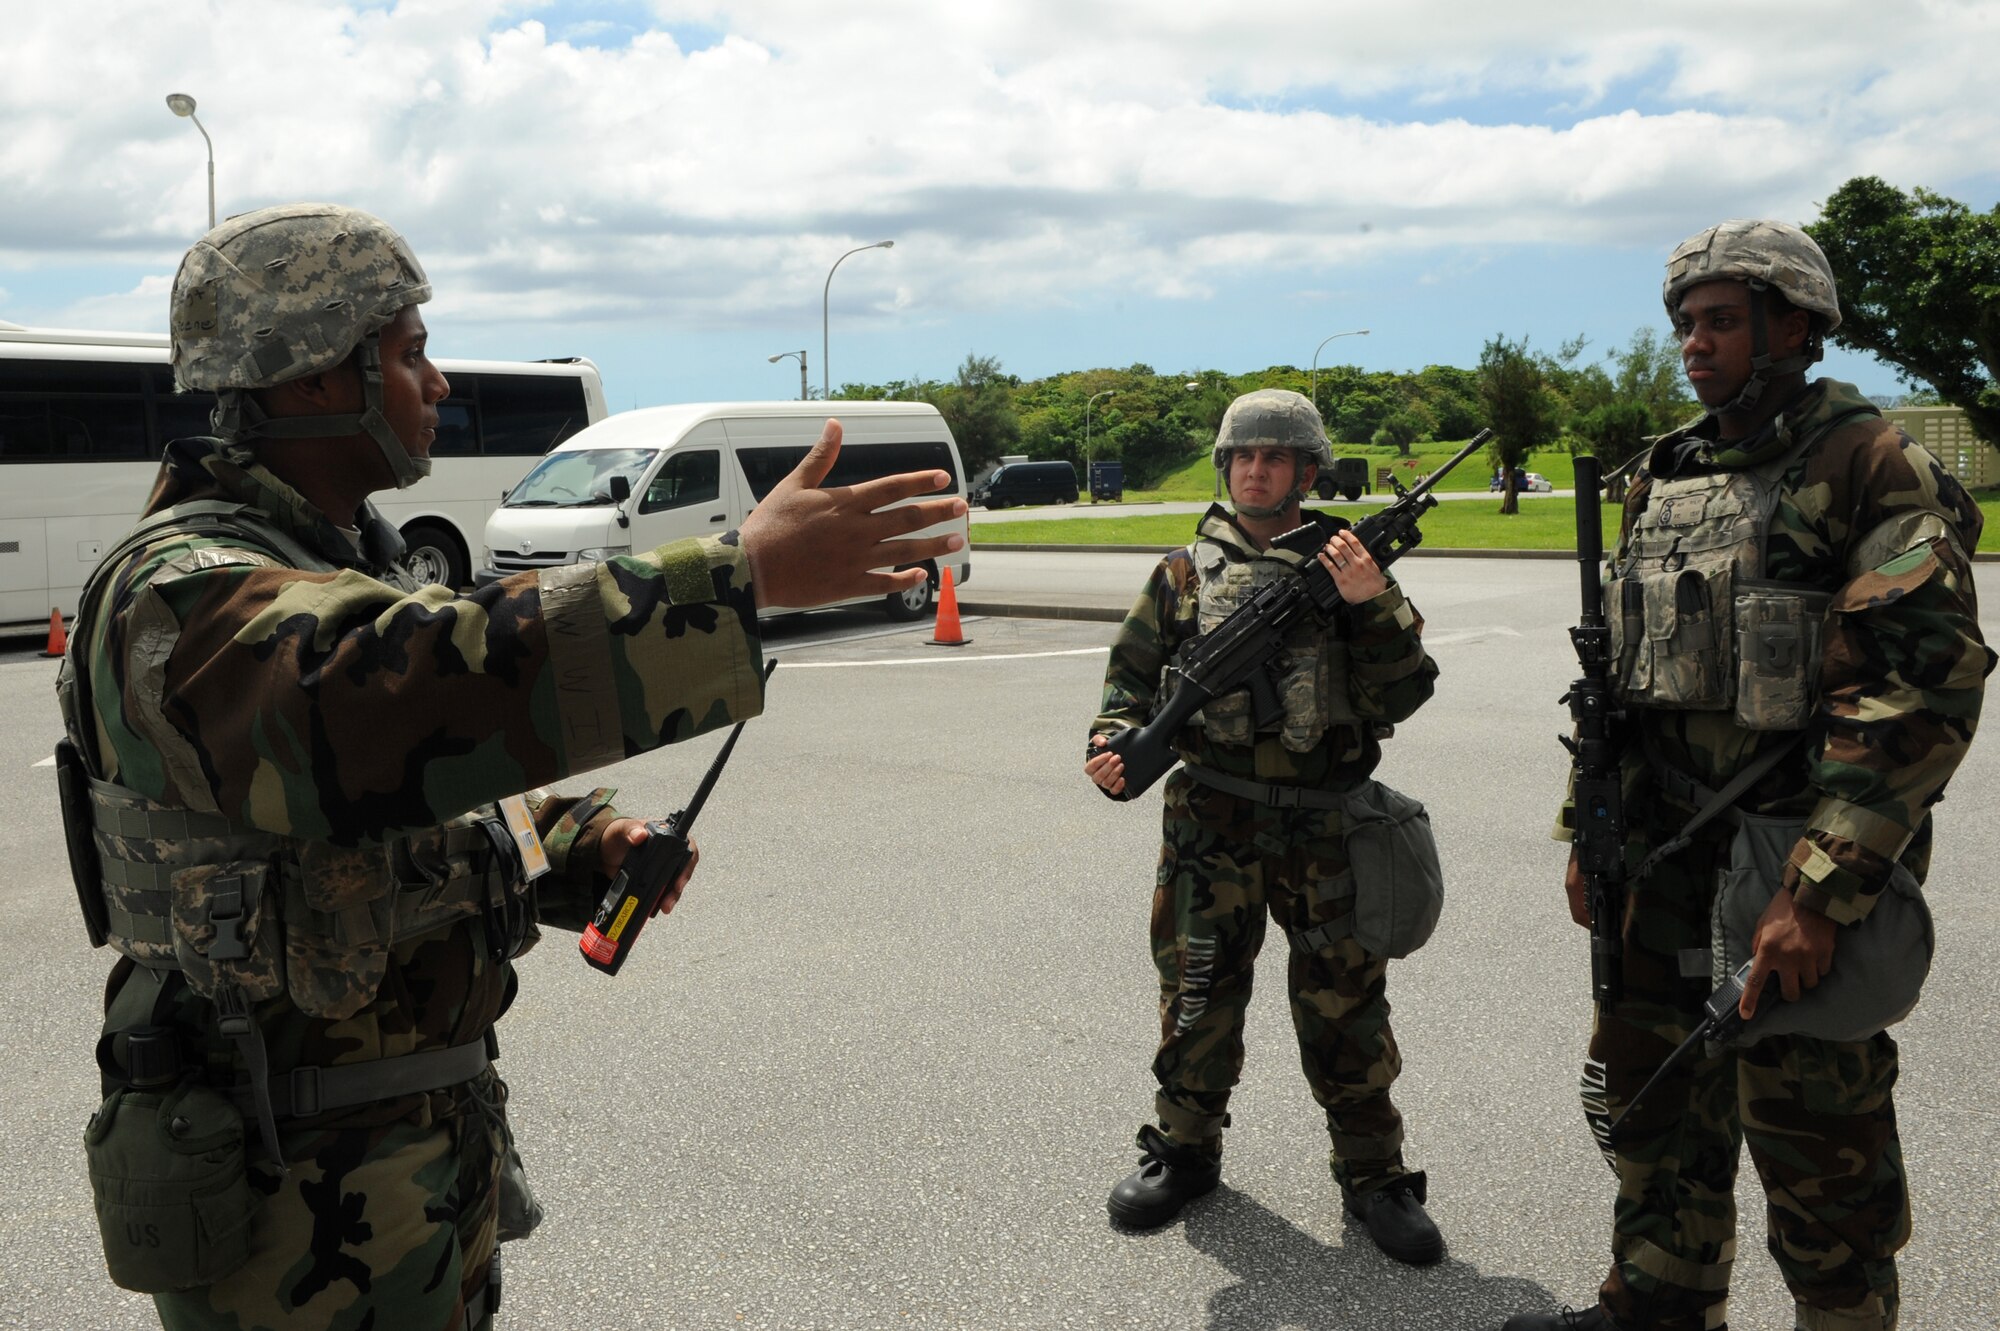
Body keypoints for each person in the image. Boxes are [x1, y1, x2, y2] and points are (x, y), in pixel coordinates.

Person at [58, 203, 966, 1330]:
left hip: (402, 1152)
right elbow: (381, 703)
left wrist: (581, 843)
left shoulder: (343, 559)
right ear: (305, 381)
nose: (434, 381)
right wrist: (734, 575)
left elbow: (412, 794)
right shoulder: (182, 584)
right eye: (407, 351)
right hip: (285, 1190)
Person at [1505, 221, 1991, 1331]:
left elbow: (1923, 691)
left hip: (1786, 846)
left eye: (1720, 320)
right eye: (1684, 322)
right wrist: (1588, 830)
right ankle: (1658, 1299)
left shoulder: (1867, 462)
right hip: (1658, 851)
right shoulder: (1664, 473)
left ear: (1795, 326)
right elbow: (1618, 680)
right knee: (1652, 1099)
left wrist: (1815, 889)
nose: (1693, 343)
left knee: (1816, 1136)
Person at [1085, 388, 1446, 1264]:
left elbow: (1406, 689)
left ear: (1307, 470)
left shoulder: (1352, 563)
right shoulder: (1180, 574)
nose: (1256, 468)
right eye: (1244, 456)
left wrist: (1369, 601)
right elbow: (1128, 684)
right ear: (1227, 467)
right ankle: (1184, 1149)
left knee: (1346, 1006)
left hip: (1329, 828)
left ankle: (1374, 1174)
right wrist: (1110, 744)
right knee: (1199, 991)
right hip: (1212, 825)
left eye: (1276, 456)